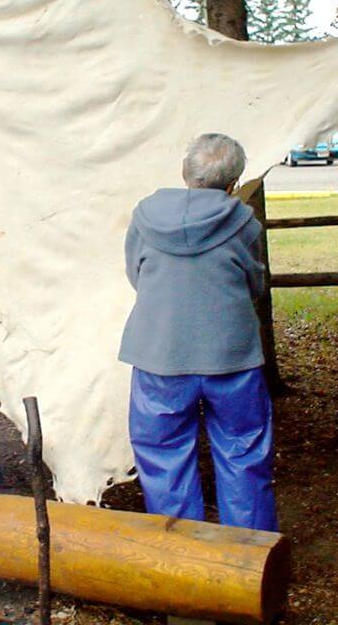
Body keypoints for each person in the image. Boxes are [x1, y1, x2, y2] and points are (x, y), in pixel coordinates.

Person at [118, 133, 278, 531]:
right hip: (231, 356)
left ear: (185, 172)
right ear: (233, 183)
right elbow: (254, 283)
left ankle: (182, 560)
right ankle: (248, 556)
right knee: (244, 450)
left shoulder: (144, 216)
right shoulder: (245, 224)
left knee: (162, 454)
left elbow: (136, 275)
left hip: (160, 354)